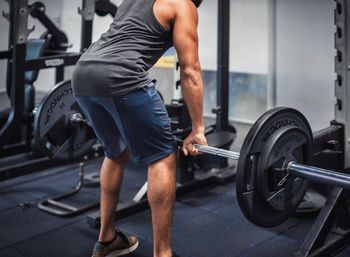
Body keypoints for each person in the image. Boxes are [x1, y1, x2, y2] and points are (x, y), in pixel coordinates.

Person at [72, 0, 206, 256]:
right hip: (122, 77)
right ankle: (163, 253)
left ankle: (107, 240)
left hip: (83, 74)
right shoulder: (183, 5)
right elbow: (191, 71)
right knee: (163, 157)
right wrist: (198, 129)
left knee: (116, 152)